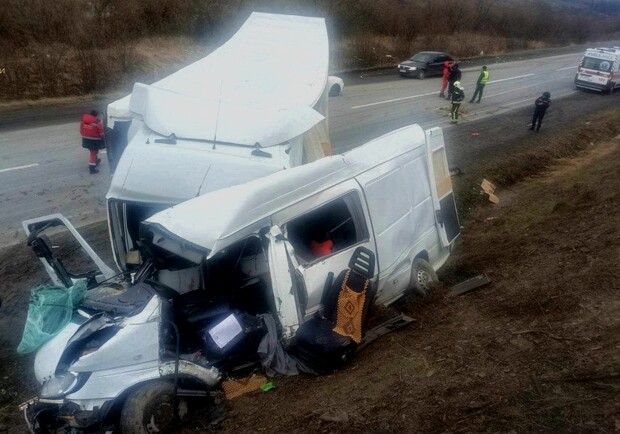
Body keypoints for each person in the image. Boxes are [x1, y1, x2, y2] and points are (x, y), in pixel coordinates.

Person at [80, 110, 104, 174]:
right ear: (96, 115)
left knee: (92, 150)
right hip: (94, 140)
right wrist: (103, 138)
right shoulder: (97, 122)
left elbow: (81, 130)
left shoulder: (83, 120)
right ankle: (92, 168)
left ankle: (96, 160)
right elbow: (101, 132)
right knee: (93, 153)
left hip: (85, 139)